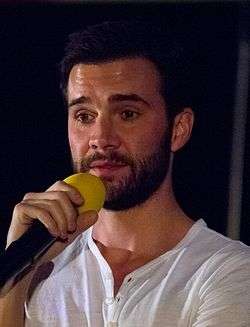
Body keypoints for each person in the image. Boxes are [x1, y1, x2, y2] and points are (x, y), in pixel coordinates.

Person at [0, 20, 249, 327]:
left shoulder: (228, 272)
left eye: (127, 114)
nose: (101, 137)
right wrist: (15, 277)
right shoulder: (36, 271)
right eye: (84, 116)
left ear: (178, 129)